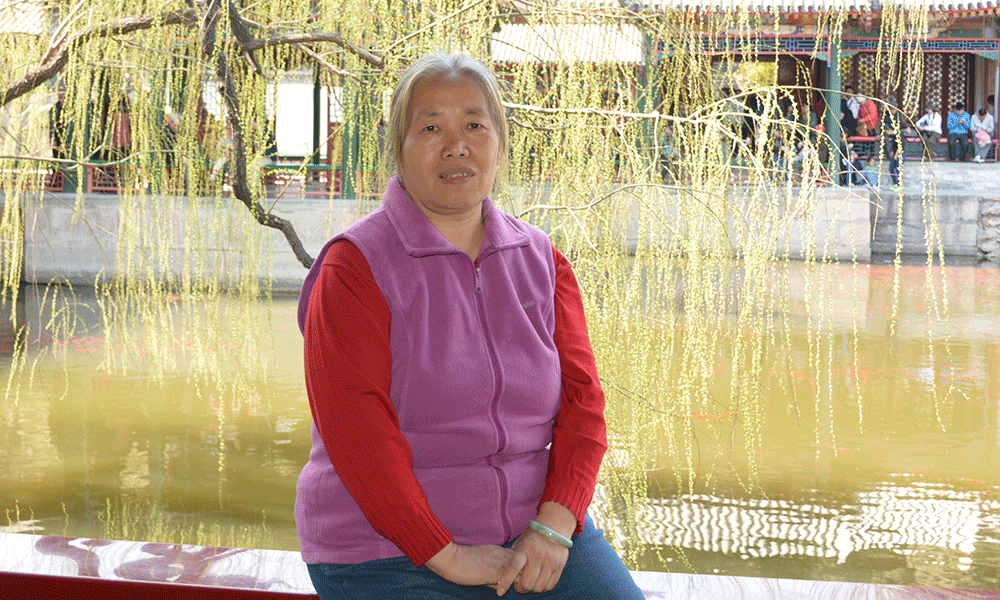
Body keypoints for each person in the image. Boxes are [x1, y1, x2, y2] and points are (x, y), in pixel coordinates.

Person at [295, 52, 644, 600]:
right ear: (399, 149)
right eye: (431, 127)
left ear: (500, 143)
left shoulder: (541, 261)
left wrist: (554, 527)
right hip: (384, 548)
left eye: (475, 125)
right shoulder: (355, 267)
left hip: (533, 532)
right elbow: (357, 433)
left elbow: (583, 404)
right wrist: (446, 554)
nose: (456, 145)